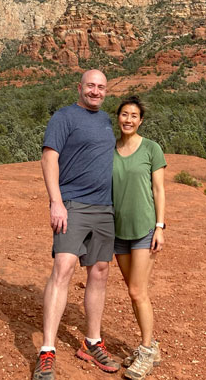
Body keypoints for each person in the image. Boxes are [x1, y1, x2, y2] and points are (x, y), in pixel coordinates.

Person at [33, 69, 120, 380]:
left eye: (100, 87)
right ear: (80, 88)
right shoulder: (64, 117)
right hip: (72, 205)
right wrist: (56, 202)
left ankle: (92, 342)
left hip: (104, 208)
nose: (95, 91)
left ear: (105, 91)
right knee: (64, 268)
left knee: (99, 271)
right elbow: (49, 158)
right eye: (90, 86)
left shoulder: (109, 121)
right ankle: (47, 349)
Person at [112, 96, 166, 380]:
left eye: (134, 115)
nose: (128, 119)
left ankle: (147, 349)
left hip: (144, 229)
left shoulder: (151, 149)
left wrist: (160, 226)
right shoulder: (110, 149)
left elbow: (158, 190)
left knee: (137, 291)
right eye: (124, 114)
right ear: (118, 117)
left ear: (140, 120)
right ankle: (151, 346)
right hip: (117, 231)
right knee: (134, 291)